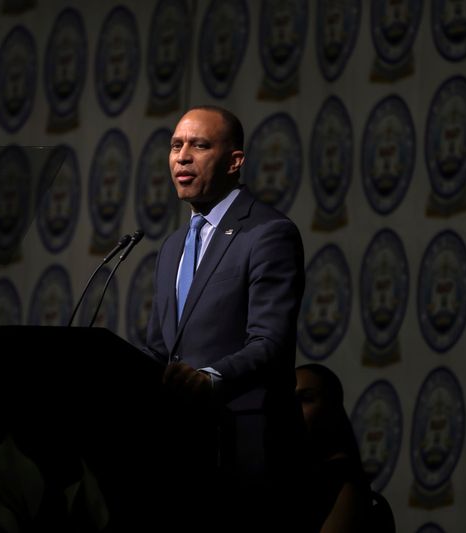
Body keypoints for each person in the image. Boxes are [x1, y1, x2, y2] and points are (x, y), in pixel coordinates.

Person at [143, 105, 306, 529]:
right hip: (181, 456)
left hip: (245, 450)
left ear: (235, 161)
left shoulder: (268, 233)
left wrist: (208, 378)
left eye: (199, 145)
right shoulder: (171, 248)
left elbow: (270, 343)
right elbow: (160, 350)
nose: (182, 156)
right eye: (176, 145)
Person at [296, 364, 395, 533]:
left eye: (306, 398)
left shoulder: (344, 482)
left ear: (333, 408)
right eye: (285, 399)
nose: (293, 408)